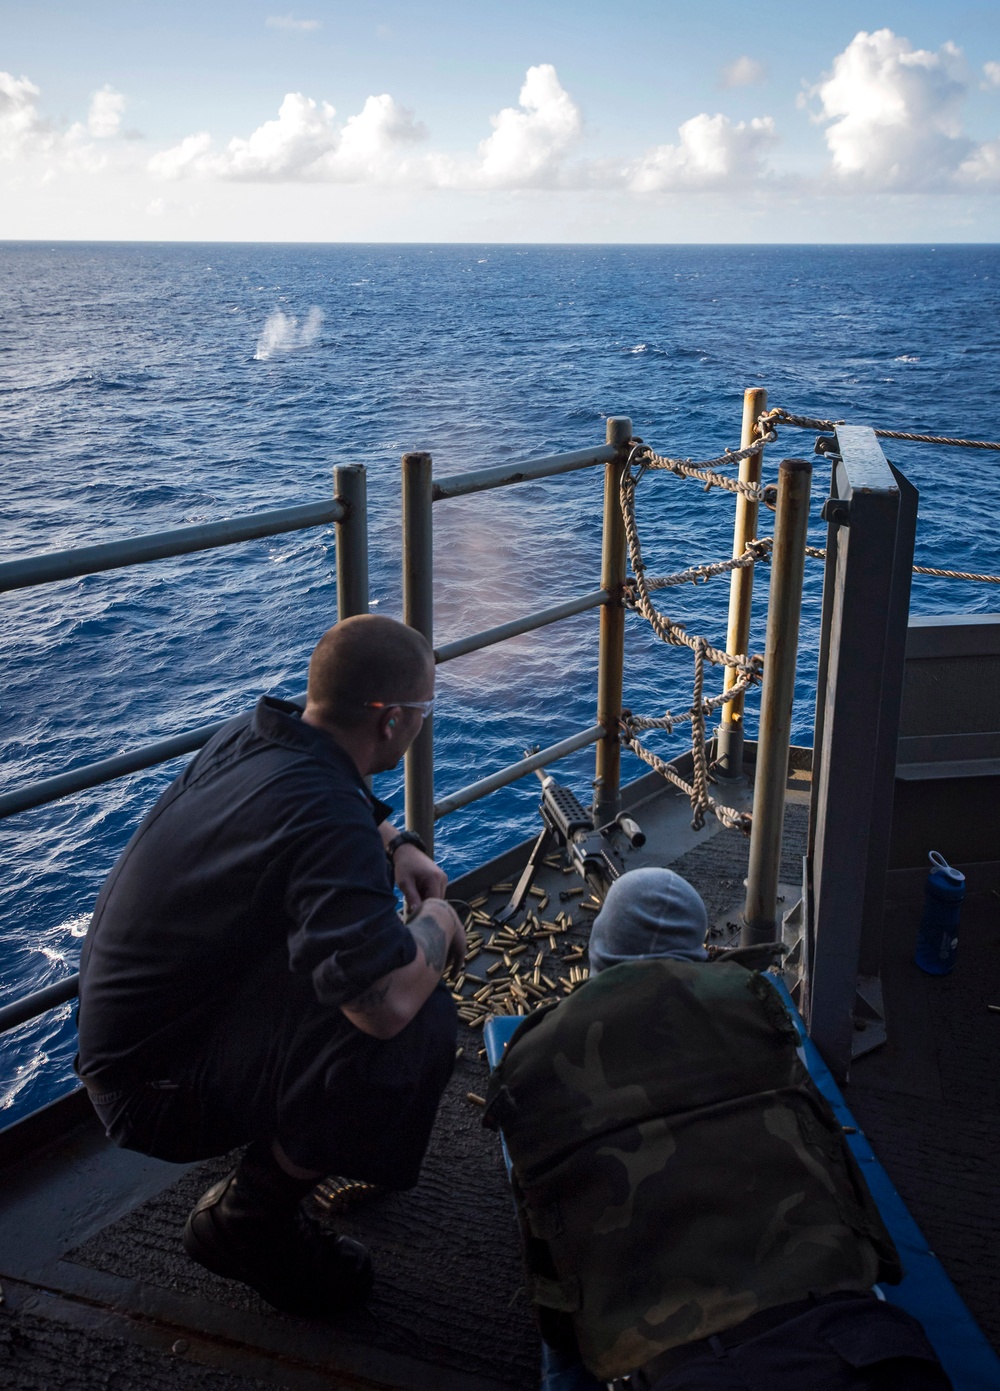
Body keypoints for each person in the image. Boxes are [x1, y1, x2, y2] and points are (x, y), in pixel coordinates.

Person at [75, 614, 466, 1316]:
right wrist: (439, 924)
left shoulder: (251, 733)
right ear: (393, 723)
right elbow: (384, 1006)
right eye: (425, 713)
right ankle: (249, 1220)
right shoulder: (324, 819)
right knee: (419, 1021)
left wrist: (397, 839)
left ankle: (276, 1137)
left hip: (133, 1043)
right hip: (156, 1094)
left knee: (360, 968)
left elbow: (330, 798)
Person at [487, 867, 951, 1391]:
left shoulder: (530, 1060)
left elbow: (552, 1285)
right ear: (700, 952)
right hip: (861, 1341)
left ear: (598, 952)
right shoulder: (754, 1003)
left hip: (693, 1368)